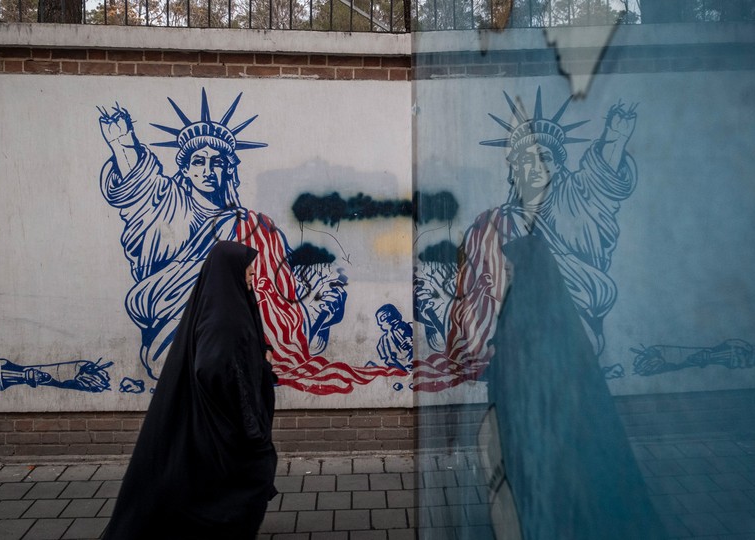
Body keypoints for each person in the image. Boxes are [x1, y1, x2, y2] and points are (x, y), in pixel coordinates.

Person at [98, 90, 403, 395]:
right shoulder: (168, 205)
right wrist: (122, 144)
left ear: (228, 169)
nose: (208, 170)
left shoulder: (254, 226)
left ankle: (311, 321)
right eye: (199, 161)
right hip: (174, 326)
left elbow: (279, 284)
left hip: (238, 330)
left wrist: (311, 291)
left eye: (217, 162)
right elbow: (139, 186)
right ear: (186, 169)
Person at [414, 89, 638, 391]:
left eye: (542, 158)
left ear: (558, 166)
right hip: (508, 338)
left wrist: (615, 138)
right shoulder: (489, 225)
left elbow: (602, 182)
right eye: (524, 159)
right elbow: (471, 290)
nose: (533, 166)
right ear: (513, 170)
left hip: (571, 326)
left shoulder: (578, 203)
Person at [484, 235, 664, 539]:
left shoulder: (533, 314)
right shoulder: (540, 309)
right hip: (537, 430)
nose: (508, 276)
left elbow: (533, 373)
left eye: (512, 270)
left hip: (542, 433)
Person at [103, 241, 278, 539]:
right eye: (247, 266)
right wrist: (239, 403)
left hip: (223, 417)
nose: (252, 272)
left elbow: (242, 346)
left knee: (219, 479)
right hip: (225, 420)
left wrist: (260, 356)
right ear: (230, 270)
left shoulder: (226, 302)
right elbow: (212, 366)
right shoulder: (223, 317)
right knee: (251, 472)